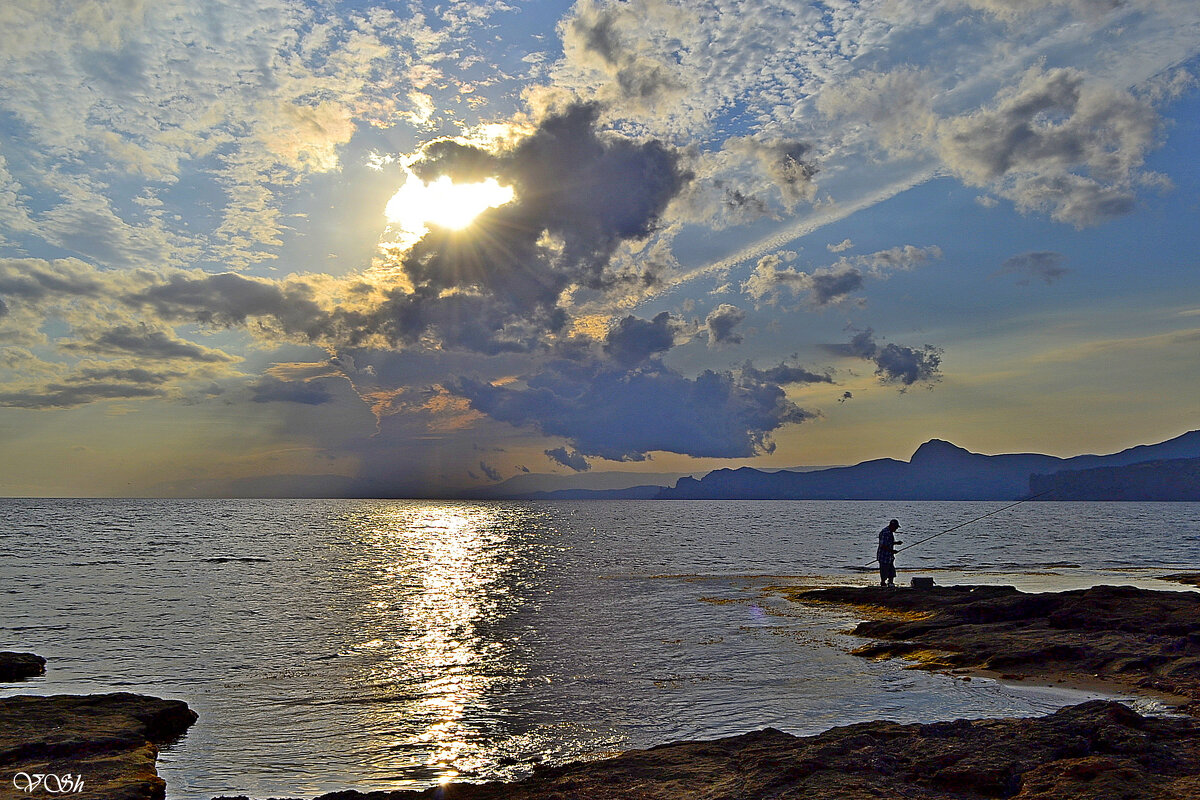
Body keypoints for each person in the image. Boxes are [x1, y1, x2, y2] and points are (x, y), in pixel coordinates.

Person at [877, 519, 902, 587]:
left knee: (891, 571)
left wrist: (896, 543)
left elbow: (888, 542)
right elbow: (883, 545)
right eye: (896, 527)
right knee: (884, 571)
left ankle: (890, 583)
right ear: (892, 526)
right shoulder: (885, 532)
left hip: (889, 556)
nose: (896, 529)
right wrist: (892, 551)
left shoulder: (889, 532)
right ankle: (883, 584)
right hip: (884, 556)